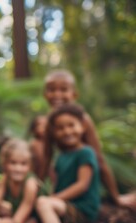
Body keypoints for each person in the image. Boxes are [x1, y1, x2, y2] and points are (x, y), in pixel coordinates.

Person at [41, 69, 136, 208]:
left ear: (74, 94)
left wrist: (116, 197)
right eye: (52, 90)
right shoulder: (49, 122)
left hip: (85, 178)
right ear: (45, 94)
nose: (57, 95)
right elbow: (46, 157)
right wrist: (38, 189)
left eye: (63, 90)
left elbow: (99, 159)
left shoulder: (83, 119)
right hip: (66, 175)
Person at [36, 103, 101, 223]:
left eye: (71, 125)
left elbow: (82, 185)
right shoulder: (61, 156)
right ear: (54, 132)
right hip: (66, 205)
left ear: (83, 126)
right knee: (42, 205)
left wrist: (53, 199)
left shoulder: (86, 153)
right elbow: (57, 184)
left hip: (82, 208)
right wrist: (53, 197)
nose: (67, 131)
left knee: (44, 203)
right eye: (60, 128)